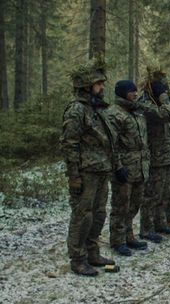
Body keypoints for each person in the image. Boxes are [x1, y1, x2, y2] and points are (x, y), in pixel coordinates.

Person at [60, 58, 115, 276]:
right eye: (98, 84)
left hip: (101, 169)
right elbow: (69, 144)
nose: (102, 87)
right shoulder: (76, 110)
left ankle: (93, 252)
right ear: (86, 86)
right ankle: (78, 259)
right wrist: (74, 176)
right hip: (85, 172)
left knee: (99, 214)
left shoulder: (97, 109)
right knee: (83, 216)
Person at [107, 80, 149, 256]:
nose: (135, 94)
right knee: (121, 205)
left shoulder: (137, 112)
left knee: (135, 203)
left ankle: (129, 235)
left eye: (135, 91)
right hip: (124, 166)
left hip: (139, 166)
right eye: (131, 91)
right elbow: (111, 144)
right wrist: (118, 167)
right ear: (122, 93)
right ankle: (117, 240)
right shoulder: (114, 114)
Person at [139, 67, 170, 242]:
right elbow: (167, 114)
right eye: (160, 87)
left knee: (164, 192)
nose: (164, 90)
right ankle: (146, 228)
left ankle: (160, 223)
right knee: (152, 194)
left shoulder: (157, 103)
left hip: (166, 155)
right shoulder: (145, 104)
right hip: (154, 157)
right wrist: (163, 96)